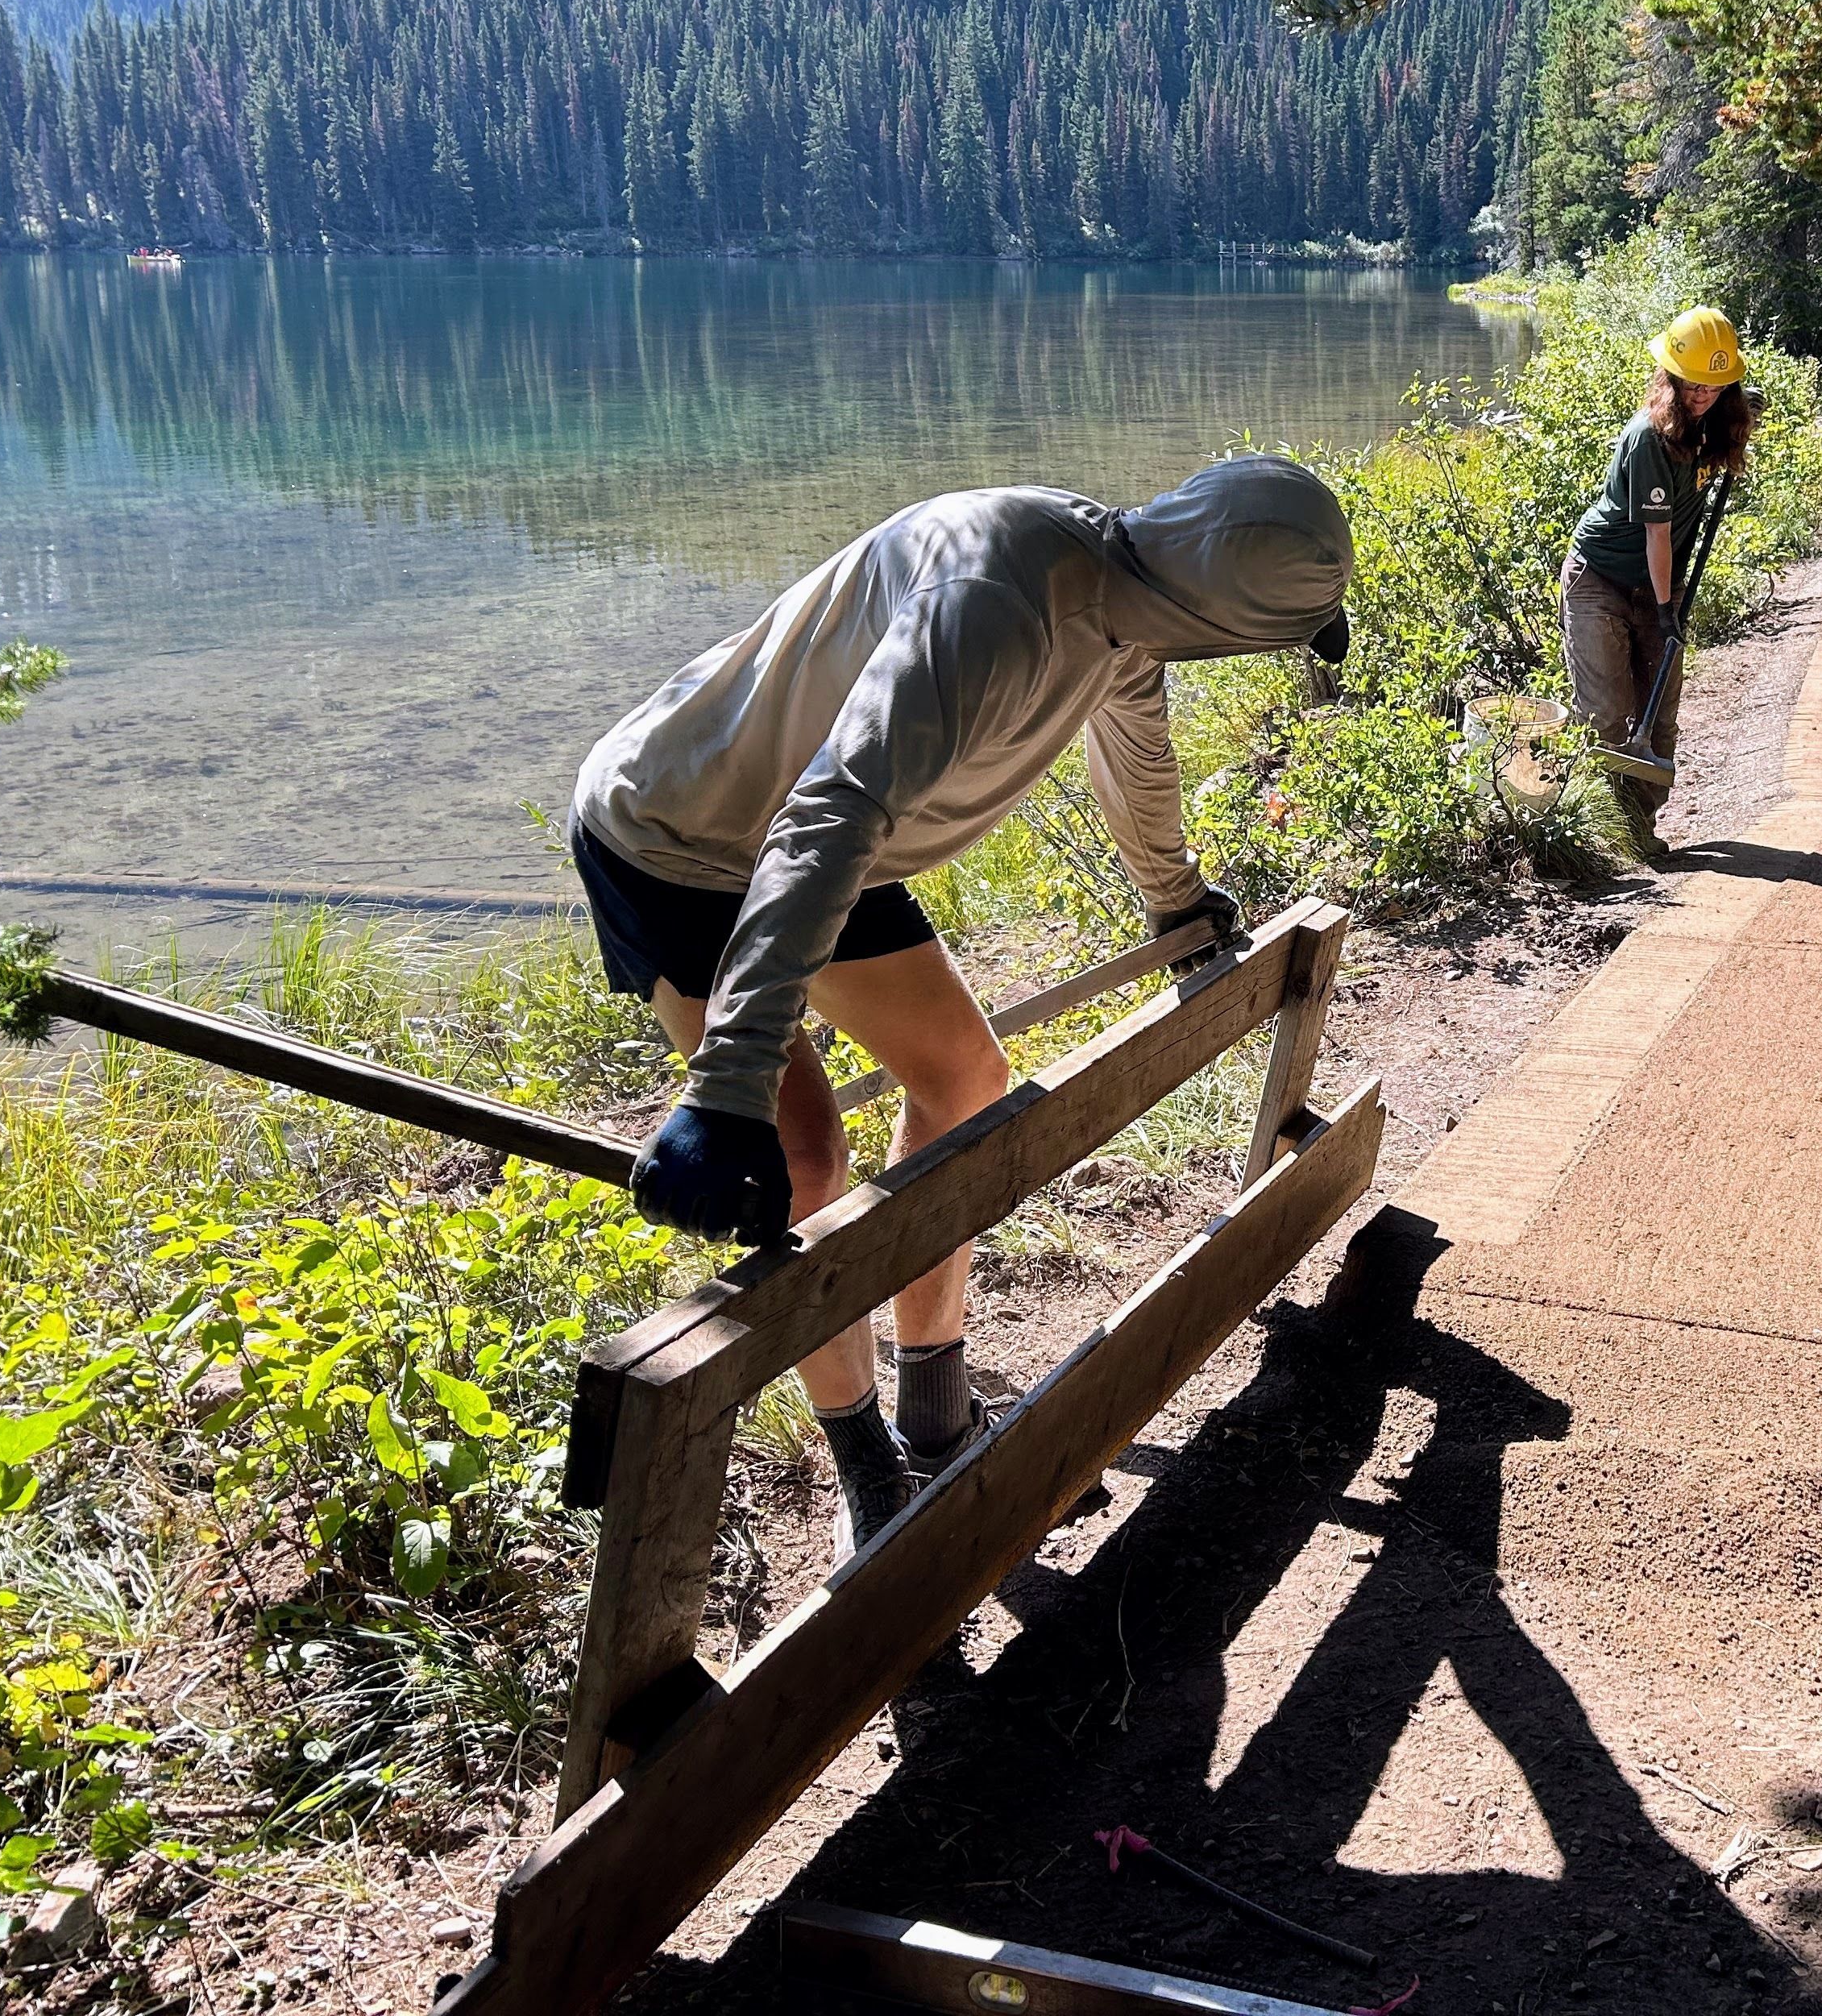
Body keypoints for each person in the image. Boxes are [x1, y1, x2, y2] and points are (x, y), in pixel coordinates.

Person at [569, 454, 1353, 1556]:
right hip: (680, 838)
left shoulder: (1129, 613)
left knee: (967, 1084)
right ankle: (866, 1467)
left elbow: (1137, 764)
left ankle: (933, 1415)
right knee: (796, 1158)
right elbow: (827, 819)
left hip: (825, 844)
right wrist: (729, 1082)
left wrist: (1178, 905)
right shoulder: (996, 602)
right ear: (1233, 621)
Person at [1560, 305, 1754, 858]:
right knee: (1610, 715)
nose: (1702, 394)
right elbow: (1657, 537)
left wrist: (1737, 419)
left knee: (1658, 717)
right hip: (1601, 581)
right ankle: (1604, 838)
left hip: (1658, 588)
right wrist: (1668, 613)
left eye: (1716, 385)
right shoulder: (1649, 437)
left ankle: (1638, 834)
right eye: (1693, 383)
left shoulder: (1716, 420)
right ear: (1670, 377)